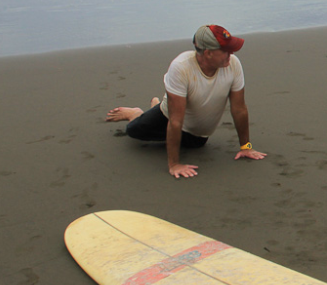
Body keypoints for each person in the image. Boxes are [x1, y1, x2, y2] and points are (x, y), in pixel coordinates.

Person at [106, 24, 267, 178]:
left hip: (197, 132)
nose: (231, 54)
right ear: (208, 53)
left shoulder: (233, 64)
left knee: (196, 145)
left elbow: (239, 109)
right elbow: (175, 120)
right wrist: (174, 164)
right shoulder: (181, 67)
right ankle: (135, 113)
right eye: (225, 50)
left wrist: (246, 147)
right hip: (168, 116)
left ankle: (154, 105)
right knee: (133, 130)